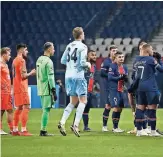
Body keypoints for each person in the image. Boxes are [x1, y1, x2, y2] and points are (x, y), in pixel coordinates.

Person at [58, 27, 91, 137]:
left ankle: (62, 122)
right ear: (81, 35)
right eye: (83, 33)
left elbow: (62, 60)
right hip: (78, 76)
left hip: (68, 76)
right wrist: (88, 65)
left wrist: (71, 65)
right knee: (83, 101)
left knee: (73, 102)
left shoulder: (69, 46)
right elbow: (82, 62)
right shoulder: (83, 46)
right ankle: (75, 125)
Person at [134, 44, 163, 136]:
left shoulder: (136, 60)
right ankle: (153, 132)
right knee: (152, 109)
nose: (152, 51)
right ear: (147, 50)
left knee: (140, 108)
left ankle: (139, 131)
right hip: (150, 87)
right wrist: (160, 60)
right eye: (151, 49)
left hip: (140, 87)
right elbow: (161, 69)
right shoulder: (151, 60)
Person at [12, 44, 36, 136]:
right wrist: (31, 73)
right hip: (22, 87)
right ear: (21, 50)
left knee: (19, 107)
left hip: (16, 86)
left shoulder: (14, 60)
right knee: (26, 106)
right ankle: (24, 130)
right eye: (26, 50)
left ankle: (15, 129)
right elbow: (23, 76)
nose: (27, 52)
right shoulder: (22, 60)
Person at [72, 50, 98, 131]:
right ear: (88, 56)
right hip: (83, 89)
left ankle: (86, 126)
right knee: (81, 107)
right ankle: (74, 125)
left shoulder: (94, 65)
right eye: (92, 55)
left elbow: (91, 77)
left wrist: (93, 87)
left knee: (86, 109)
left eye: (95, 55)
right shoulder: (84, 65)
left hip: (90, 90)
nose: (94, 56)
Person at [36, 42, 57, 136]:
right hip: (47, 88)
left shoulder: (39, 59)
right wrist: (54, 90)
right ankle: (43, 130)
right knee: (46, 110)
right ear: (48, 49)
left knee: (44, 109)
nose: (54, 50)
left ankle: (43, 130)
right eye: (53, 48)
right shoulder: (49, 61)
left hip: (40, 87)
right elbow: (50, 77)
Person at [108, 51, 128, 133]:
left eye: (122, 57)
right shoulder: (112, 66)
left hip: (121, 90)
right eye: (119, 57)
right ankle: (114, 127)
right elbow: (110, 77)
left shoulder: (125, 67)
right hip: (114, 90)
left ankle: (117, 127)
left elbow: (125, 78)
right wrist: (119, 77)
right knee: (116, 108)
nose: (121, 58)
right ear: (115, 58)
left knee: (120, 108)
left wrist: (125, 78)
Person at [100, 45, 118, 132]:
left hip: (115, 87)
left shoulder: (117, 63)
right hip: (107, 86)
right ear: (110, 51)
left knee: (116, 106)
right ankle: (104, 126)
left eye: (116, 51)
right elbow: (102, 73)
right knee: (108, 106)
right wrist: (111, 76)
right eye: (113, 50)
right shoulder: (106, 62)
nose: (115, 52)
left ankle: (115, 127)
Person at [0, 47, 13, 135]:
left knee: (9, 110)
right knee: (1, 110)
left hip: (7, 91)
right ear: (4, 54)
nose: (10, 56)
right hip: (2, 91)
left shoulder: (6, 65)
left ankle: (13, 129)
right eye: (8, 54)